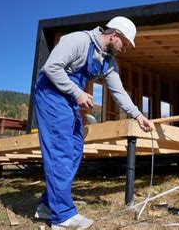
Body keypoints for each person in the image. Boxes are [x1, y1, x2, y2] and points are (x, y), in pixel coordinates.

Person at [33, 16, 152, 229]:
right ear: (114, 35)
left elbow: (119, 92)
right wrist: (77, 92)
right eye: (124, 43)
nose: (124, 48)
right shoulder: (78, 41)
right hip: (50, 93)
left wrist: (138, 115)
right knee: (60, 149)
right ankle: (62, 217)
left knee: (75, 148)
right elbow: (51, 68)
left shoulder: (108, 61)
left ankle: (48, 204)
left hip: (67, 98)